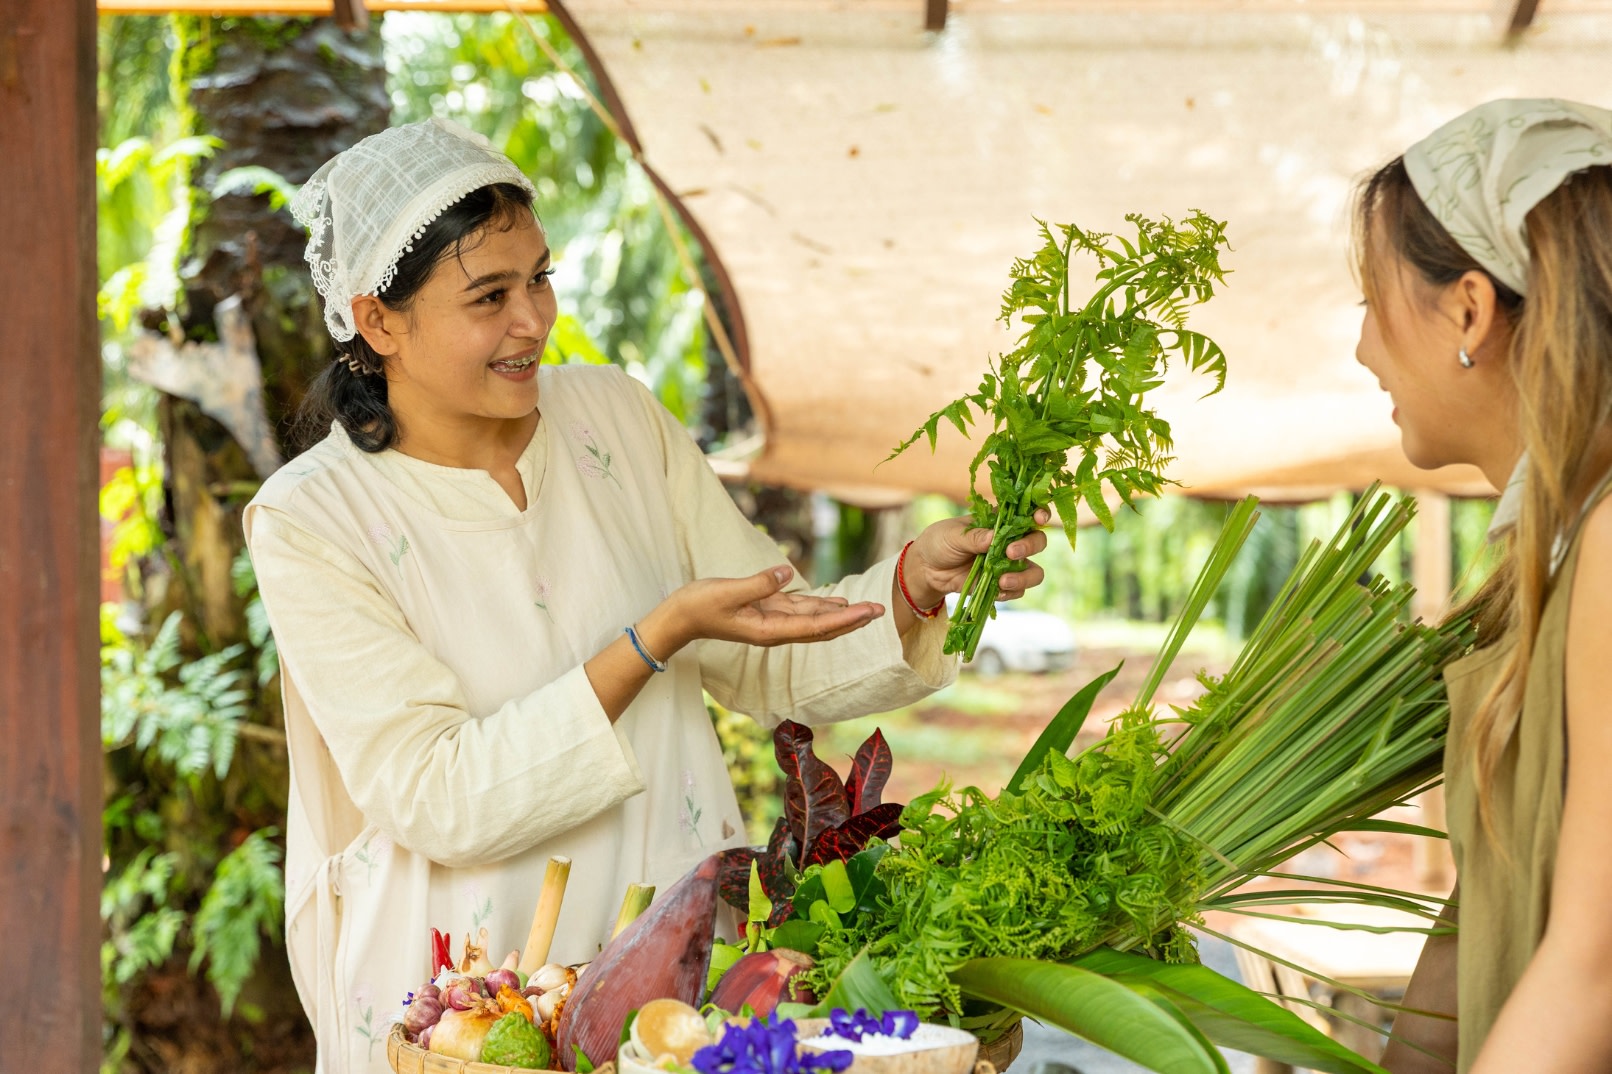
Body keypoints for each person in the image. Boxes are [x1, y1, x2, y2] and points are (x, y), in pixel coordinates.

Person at [245, 117, 1052, 1073]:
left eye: (540, 277)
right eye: (489, 295)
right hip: (473, 1004)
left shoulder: (615, 418)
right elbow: (437, 796)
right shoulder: (311, 519)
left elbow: (762, 640)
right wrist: (654, 636)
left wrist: (914, 583)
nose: (533, 321)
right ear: (379, 320)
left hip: (685, 981)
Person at [1351, 99, 1612, 1073]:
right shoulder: (1551, 551)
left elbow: (1596, 967)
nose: (1362, 349)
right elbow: (1491, 910)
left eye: (1370, 302)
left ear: (1466, 308)